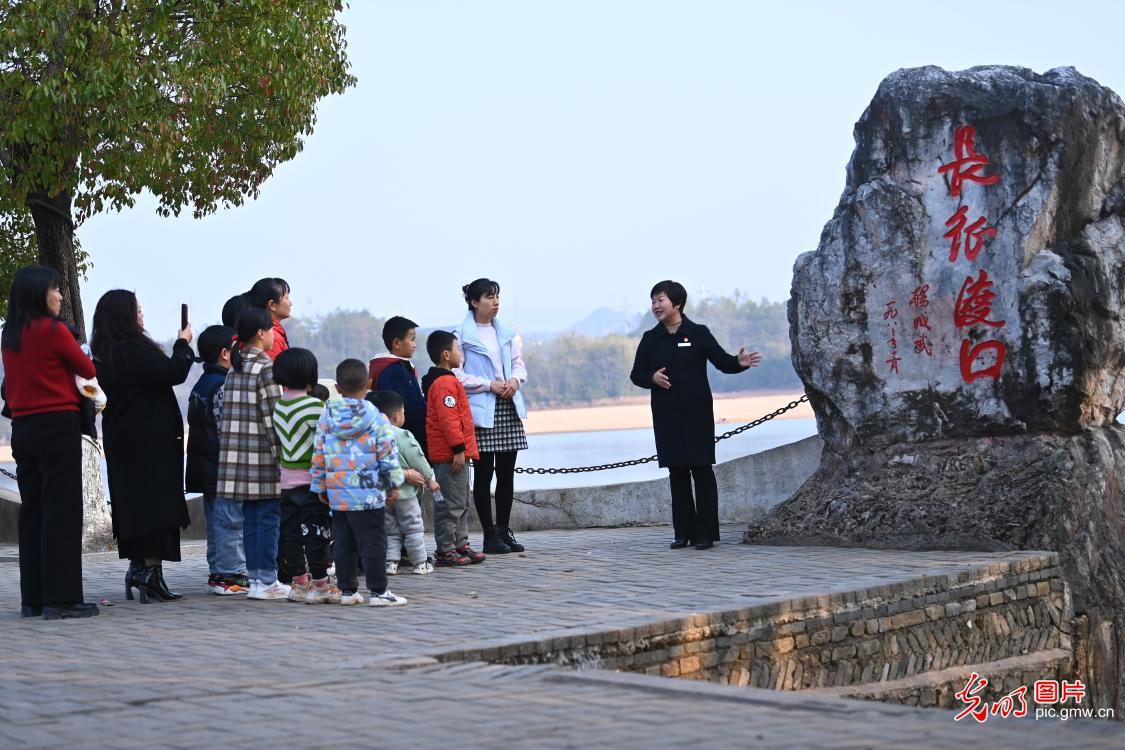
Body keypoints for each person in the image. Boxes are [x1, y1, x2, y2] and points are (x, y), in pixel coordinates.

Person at [630, 280, 761, 550]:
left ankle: (705, 534)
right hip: (666, 414)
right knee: (676, 473)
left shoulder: (698, 333)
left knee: (701, 471)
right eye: (653, 301)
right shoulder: (650, 339)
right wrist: (651, 377)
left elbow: (723, 362)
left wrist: (739, 363)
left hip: (697, 412)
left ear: (677, 303)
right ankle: (683, 533)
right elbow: (636, 375)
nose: (655, 305)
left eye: (661, 300)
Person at [1, 266, 99, 620]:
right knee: (62, 512)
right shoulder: (53, 330)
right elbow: (87, 369)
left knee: (34, 512)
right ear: (40, 293)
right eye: (56, 290)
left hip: (23, 429)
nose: (60, 296)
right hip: (57, 424)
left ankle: (34, 599)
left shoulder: (10, 333)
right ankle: (64, 598)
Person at [91, 290, 194, 603]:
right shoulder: (134, 349)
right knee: (155, 504)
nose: (142, 314)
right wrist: (183, 344)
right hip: (150, 440)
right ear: (125, 315)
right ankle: (151, 573)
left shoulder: (105, 351)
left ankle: (137, 568)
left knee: (133, 502)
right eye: (137, 309)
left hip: (122, 438)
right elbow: (172, 372)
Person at [310, 359, 407, 607]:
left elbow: (319, 455)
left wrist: (320, 486)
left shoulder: (327, 416)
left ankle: (347, 591)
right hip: (370, 495)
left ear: (338, 388)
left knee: (343, 544)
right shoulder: (377, 418)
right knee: (374, 543)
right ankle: (379, 592)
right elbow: (388, 456)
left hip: (339, 494)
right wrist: (394, 484)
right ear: (369, 384)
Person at [216, 308, 289, 600]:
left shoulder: (234, 368)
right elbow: (275, 419)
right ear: (261, 333)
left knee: (251, 521)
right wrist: (285, 458)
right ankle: (266, 580)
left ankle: (257, 580)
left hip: (237, 460)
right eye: (271, 330)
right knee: (268, 520)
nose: (274, 335)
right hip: (263, 459)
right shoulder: (266, 368)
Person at [454, 278, 528, 555]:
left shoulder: (506, 331)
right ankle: (487, 534)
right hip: (483, 409)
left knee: (507, 474)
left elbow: (520, 365)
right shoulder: (460, 335)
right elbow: (457, 375)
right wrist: (489, 385)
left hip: (508, 405)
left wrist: (514, 381)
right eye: (489, 297)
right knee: (484, 475)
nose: (496, 302)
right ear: (474, 302)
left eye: (497, 297)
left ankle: (503, 530)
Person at [185, 324, 250, 596]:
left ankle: (217, 572)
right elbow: (228, 429)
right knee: (231, 522)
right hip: (225, 468)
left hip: (206, 467)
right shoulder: (223, 385)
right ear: (226, 353)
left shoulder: (201, 384)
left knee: (217, 522)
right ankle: (230, 575)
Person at [272, 347, 339, 604]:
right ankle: (321, 584)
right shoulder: (315, 406)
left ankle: (299, 583)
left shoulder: (279, 406)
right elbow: (325, 442)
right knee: (317, 533)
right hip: (312, 481)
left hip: (286, 481)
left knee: (289, 532)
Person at [422, 331, 485, 568]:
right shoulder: (444, 383)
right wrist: (459, 449)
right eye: (458, 349)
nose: (462, 354)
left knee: (461, 501)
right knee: (450, 504)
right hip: (451, 456)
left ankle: (461, 544)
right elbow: (449, 420)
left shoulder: (448, 381)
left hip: (456, 455)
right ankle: (445, 550)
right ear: (446, 355)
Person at [369, 390, 437, 576]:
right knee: (413, 528)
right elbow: (418, 459)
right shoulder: (402, 435)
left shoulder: (370, 435)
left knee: (390, 530)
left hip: (383, 493)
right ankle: (420, 562)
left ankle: (390, 563)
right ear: (398, 414)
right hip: (406, 494)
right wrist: (430, 478)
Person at [368, 316, 428, 456]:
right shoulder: (394, 370)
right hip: (405, 442)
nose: (414, 345)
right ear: (396, 343)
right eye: (412, 339)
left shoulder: (400, 367)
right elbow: (409, 407)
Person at [221, 278, 292, 361]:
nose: (290, 303)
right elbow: (274, 372)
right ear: (272, 304)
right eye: (286, 298)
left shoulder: (268, 333)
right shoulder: (270, 337)